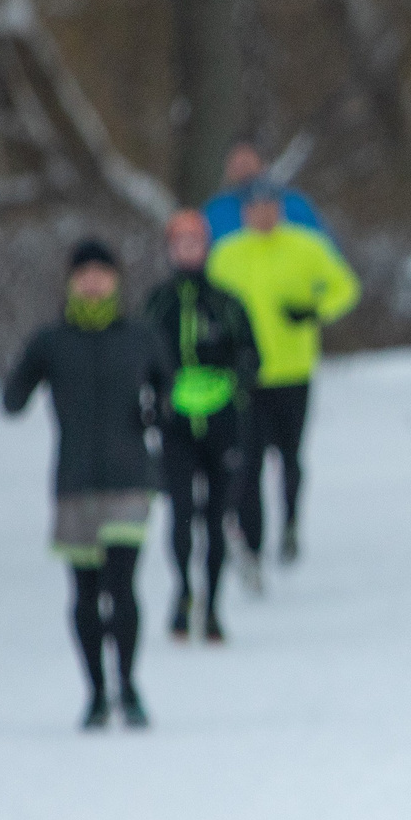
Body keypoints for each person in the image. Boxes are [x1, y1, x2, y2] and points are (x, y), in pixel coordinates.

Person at [1, 240, 172, 730]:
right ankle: (95, 692)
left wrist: (158, 409)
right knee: (84, 593)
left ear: (117, 280)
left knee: (122, 587)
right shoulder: (51, 340)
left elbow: (169, 388)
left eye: (103, 273)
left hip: (129, 479)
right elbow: (13, 399)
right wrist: (17, 384)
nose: (94, 282)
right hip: (74, 482)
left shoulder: (140, 336)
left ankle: (129, 686)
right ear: (70, 281)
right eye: (84, 274)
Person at [206, 183, 361, 578]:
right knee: (249, 461)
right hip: (246, 374)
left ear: (280, 210)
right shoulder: (227, 253)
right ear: (244, 213)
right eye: (255, 208)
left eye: (269, 207)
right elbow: (208, 302)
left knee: (290, 457)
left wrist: (313, 311)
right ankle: (253, 543)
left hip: (293, 371)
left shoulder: (305, 245)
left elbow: (346, 287)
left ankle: (290, 523)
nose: (262, 215)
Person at [142, 210, 259, 644]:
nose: (188, 250)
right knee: (179, 513)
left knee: (215, 515)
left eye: (196, 242)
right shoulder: (157, 303)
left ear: (206, 247)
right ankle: (183, 593)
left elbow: (252, 357)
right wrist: (157, 397)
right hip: (175, 424)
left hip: (222, 424)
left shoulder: (227, 303)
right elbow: (141, 360)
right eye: (180, 243)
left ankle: (212, 605)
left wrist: (229, 382)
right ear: (170, 248)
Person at [202, 140, 335, 245]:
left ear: (263, 163)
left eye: (247, 158)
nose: (241, 164)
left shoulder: (293, 203)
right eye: (235, 160)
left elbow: (322, 247)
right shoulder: (216, 210)